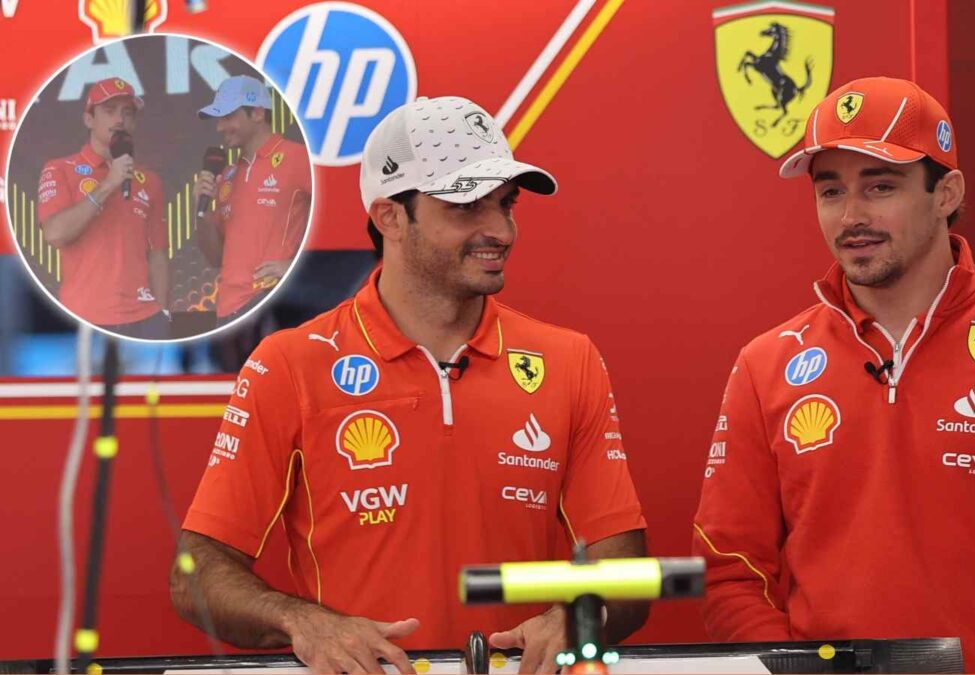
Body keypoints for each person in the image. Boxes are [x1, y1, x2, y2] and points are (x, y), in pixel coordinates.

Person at [171, 96, 648, 674]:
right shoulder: (290, 363)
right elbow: (195, 570)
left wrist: (577, 616)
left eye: (505, 204)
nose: (500, 230)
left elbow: (624, 570)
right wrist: (302, 621)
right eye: (468, 205)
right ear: (390, 217)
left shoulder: (569, 359)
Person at [692, 76, 975, 673]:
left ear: (946, 192)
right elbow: (730, 570)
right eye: (830, 191)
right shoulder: (765, 364)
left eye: (880, 187)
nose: (851, 216)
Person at [37, 77, 168, 338]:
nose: (119, 120)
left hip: (145, 317)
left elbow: (158, 254)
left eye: (127, 113)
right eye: (109, 111)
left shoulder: (149, 180)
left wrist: (163, 312)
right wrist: (108, 184)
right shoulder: (59, 169)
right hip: (85, 316)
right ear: (89, 119)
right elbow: (54, 234)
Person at [193, 75, 311, 326]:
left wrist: (295, 266)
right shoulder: (225, 175)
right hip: (227, 311)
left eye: (227, 117)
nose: (219, 127)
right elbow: (215, 258)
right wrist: (200, 213)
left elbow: (338, 221)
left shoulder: (297, 158)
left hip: (272, 304)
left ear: (257, 113)